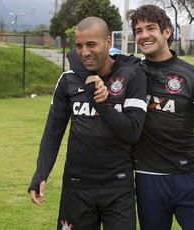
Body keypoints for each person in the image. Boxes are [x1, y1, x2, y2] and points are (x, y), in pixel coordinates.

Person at [28, 16, 147, 230]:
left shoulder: (132, 75)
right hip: (76, 187)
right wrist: (40, 174)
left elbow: (132, 132)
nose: (84, 52)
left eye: (92, 44)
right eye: (79, 46)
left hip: (118, 187)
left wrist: (102, 102)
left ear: (108, 43)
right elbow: (52, 132)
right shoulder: (68, 80)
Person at [124, 5, 194, 230]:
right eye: (138, 30)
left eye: (150, 28)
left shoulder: (193, 76)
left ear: (167, 32)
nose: (144, 35)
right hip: (148, 178)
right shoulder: (131, 73)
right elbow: (78, 58)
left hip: (189, 177)